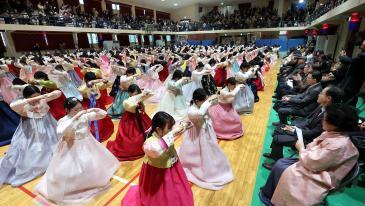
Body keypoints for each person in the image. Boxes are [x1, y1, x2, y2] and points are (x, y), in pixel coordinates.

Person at [259, 104, 359, 206]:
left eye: (324, 119)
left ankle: (278, 199)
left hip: (322, 175)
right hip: (316, 163)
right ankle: (271, 193)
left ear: (336, 124)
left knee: (283, 169)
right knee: (281, 163)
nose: (322, 121)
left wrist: (301, 148)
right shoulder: (334, 133)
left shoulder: (338, 145)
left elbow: (314, 162)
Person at [35, 97, 119, 204]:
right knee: (72, 167)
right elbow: (61, 131)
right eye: (75, 109)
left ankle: (90, 180)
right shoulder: (64, 120)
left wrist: (91, 110)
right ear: (67, 110)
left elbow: (102, 114)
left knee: (90, 162)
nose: (79, 111)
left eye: (80, 108)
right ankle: (75, 186)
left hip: (87, 142)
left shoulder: (84, 116)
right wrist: (75, 118)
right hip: (72, 145)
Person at [121, 112, 194, 206]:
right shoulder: (150, 142)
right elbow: (156, 150)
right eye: (169, 128)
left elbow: (179, 128)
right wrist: (173, 133)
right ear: (159, 129)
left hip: (173, 167)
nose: (172, 130)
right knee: (161, 195)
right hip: (157, 173)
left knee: (176, 189)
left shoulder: (164, 132)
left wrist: (184, 125)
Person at [262, 85, 344, 170]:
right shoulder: (322, 106)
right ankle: (274, 155)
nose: (319, 94)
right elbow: (308, 121)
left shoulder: (330, 116)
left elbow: (314, 134)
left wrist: (295, 131)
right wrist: (294, 127)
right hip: (305, 132)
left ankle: (276, 163)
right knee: (279, 129)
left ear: (328, 98)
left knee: (277, 138)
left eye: (322, 93)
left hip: (310, 140)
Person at [0, 85, 60, 187]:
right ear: (26, 98)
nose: (36, 101)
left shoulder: (42, 99)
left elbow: (58, 93)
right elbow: (13, 105)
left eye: (38, 96)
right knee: (31, 154)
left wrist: (41, 97)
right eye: (33, 97)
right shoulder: (23, 105)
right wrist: (31, 100)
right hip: (31, 131)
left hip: (48, 125)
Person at [179, 88, 234, 190]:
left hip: (206, 130)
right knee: (199, 152)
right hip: (197, 133)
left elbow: (215, 102)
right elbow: (200, 114)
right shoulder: (192, 110)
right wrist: (208, 102)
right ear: (196, 101)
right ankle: (202, 168)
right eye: (203, 101)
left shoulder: (201, 104)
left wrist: (215, 97)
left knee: (211, 148)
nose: (205, 102)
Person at [107, 84, 153, 161]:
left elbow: (142, 107)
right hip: (130, 120)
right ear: (130, 93)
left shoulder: (139, 98)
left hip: (140, 117)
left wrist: (143, 111)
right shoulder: (127, 101)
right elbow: (131, 107)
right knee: (133, 138)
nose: (136, 94)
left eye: (138, 92)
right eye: (135, 93)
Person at [79, 72, 114, 142]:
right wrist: (93, 82)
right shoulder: (83, 88)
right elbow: (81, 90)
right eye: (91, 80)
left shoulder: (97, 85)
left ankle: (102, 132)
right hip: (88, 106)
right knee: (91, 119)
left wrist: (102, 80)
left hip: (98, 104)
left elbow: (109, 83)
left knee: (102, 118)